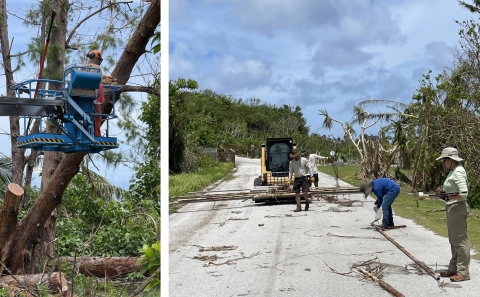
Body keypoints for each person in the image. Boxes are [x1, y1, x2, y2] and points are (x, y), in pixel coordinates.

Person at [435, 147, 470, 282]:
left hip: (457, 208)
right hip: (452, 207)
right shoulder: (453, 171)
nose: (443, 162)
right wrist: (447, 196)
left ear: (451, 159)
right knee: (453, 239)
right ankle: (454, 268)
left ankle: (463, 272)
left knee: (460, 240)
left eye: (444, 159)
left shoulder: (459, 171)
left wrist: (449, 197)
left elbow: (464, 193)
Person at [82, 49, 113, 137]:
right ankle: (97, 134)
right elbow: (99, 82)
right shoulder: (97, 67)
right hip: (93, 96)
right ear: (96, 58)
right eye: (100, 59)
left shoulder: (83, 66)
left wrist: (105, 76)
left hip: (81, 95)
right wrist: (106, 82)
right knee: (97, 116)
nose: (100, 61)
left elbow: (90, 77)